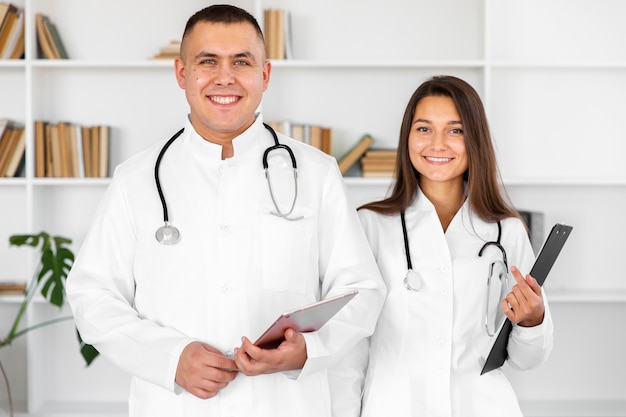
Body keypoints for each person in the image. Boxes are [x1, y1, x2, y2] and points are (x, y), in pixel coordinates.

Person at [66, 5, 385, 417]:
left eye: (242, 61)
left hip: (285, 405)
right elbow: (92, 296)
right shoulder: (136, 180)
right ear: (182, 74)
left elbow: (361, 291)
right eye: (207, 61)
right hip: (175, 407)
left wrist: (309, 350)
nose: (225, 77)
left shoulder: (316, 173)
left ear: (265, 75)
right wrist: (169, 358)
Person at [356, 75, 553, 416]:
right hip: (396, 407)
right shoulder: (369, 225)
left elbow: (526, 360)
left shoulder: (507, 231)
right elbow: (350, 346)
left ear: (474, 139)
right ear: (407, 138)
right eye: (424, 128)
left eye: (455, 130)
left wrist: (532, 320)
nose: (438, 143)